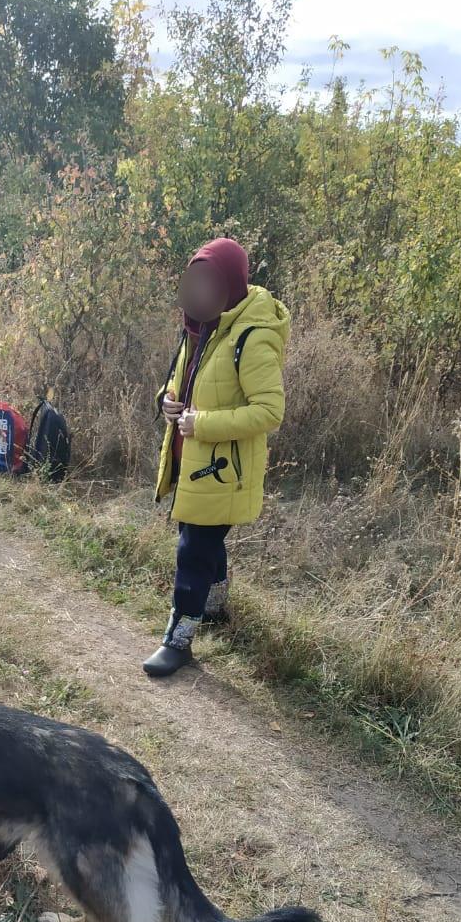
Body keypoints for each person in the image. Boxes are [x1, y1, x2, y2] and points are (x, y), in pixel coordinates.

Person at [144, 237, 289, 678]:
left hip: (222, 470)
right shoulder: (198, 327)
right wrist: (166, 401)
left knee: (193, 549)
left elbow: (270, 411)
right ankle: (216, 606)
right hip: (192, 461)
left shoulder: (251, 336)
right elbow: (182, 385)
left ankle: (180, 638)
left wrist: (201, 423)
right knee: (202, 537)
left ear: (231, 284)